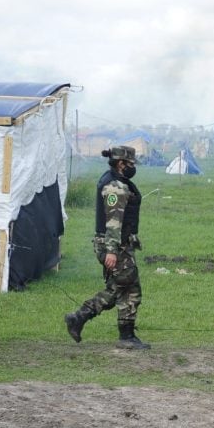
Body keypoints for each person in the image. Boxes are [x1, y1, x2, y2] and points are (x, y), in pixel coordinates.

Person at [64, 146, 150, 349]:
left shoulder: (116, 181)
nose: (132, 168)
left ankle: (125, 335)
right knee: (121, 286)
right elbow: (113, 222)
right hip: (114, 245)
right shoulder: (115, 187)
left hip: (120, 244)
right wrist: (111, 250)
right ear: (121, 163)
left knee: (128, 288)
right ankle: (80, 317)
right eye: (130, 164)